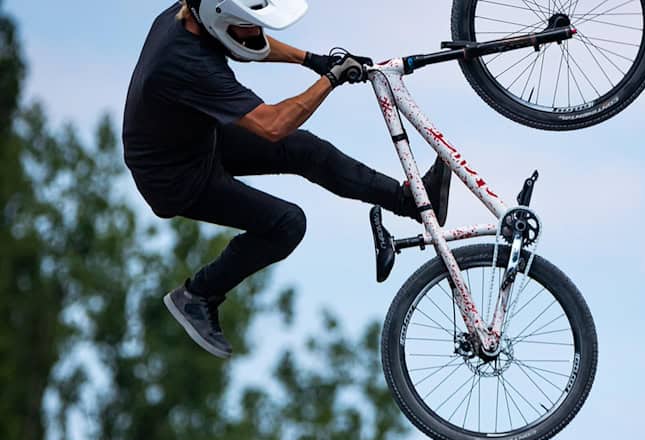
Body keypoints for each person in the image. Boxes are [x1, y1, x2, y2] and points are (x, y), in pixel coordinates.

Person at [122, 0, 451, 359]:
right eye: (248, 25)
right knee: (287, 224)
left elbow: (248, 44)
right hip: (175, 179)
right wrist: (330, 79)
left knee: (306, 150)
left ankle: (410, 202)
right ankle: (197, 295)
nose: (256, 32)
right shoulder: (189, 64)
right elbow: (274, 125)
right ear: (219, 21)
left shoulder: (194, 11)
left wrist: (313, 60)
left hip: (195, 139)